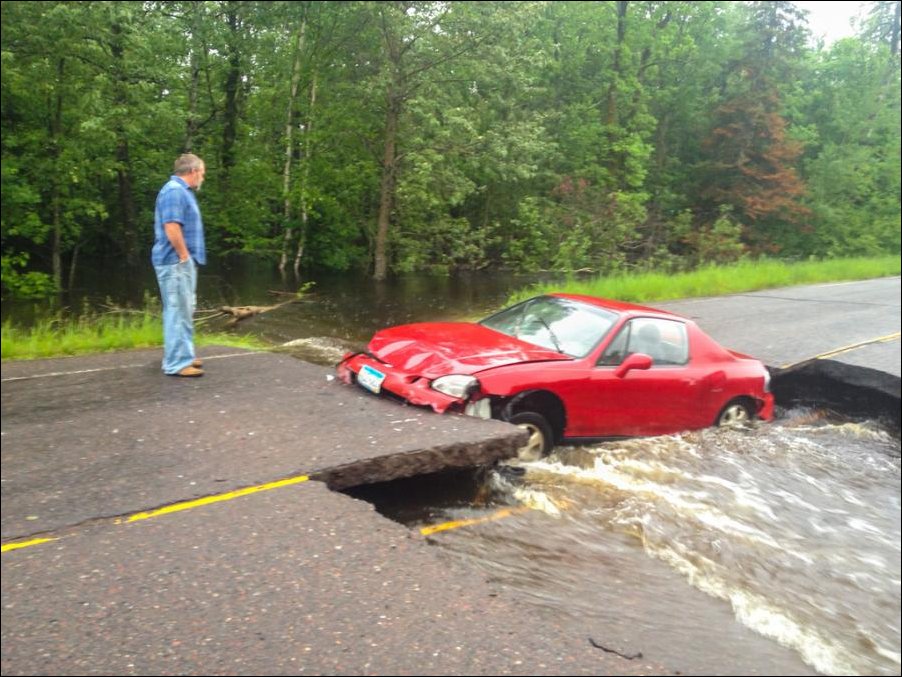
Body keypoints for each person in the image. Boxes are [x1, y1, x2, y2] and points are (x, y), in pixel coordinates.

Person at [151, 153, 207, 377]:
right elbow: (171, 227)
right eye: (202, 173)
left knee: (184, 310)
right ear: (193, 172)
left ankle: (184, 354)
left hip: (180, 262)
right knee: (177, 311)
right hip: (175, 262)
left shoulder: (181, 191)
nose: (202, 178)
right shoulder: (174, 191)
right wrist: (184, 256)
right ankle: (176, 363)